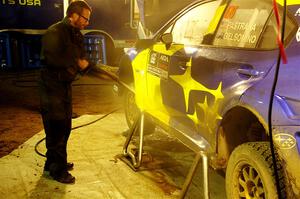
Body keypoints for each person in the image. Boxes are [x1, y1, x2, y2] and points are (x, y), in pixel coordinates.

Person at [39, 0, 92, 184]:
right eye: (85, 18)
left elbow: (81, 57)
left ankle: (52, 162)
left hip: (65, 87)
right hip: (51, 87)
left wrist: (84, 65)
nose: (87, 22)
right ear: (74, 15)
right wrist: (76, 62)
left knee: (65, 126)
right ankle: (57, 171)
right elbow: (53, 59)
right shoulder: (54, 32)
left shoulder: (76, 34)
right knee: (56, 127)